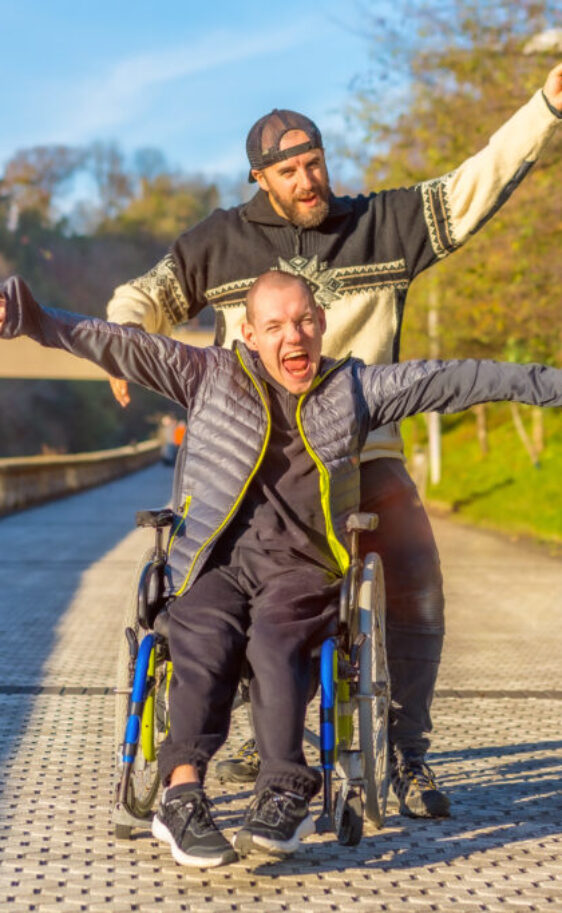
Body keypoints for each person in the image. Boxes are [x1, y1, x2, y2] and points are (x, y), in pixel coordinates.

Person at [104, 66, 562, 819]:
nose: (308, 177)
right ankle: (256, 727)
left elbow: (478, 181)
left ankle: (409, 753)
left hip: (363, 451)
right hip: (258, 463)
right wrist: (125, 337)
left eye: (314, 161)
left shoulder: (382, 224)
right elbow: (146, 294)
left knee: (414, 576)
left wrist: (545, 108)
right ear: (262, 177)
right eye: (289, 170)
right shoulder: (219, 241)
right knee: (233, 581)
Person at [1, 270, 561, 867]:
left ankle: (283, 789)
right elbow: (117, 342)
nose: (292, 337)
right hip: (215, 559)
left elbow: (457, 379)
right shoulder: (207, 374)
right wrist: (30, 317)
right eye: (274, 326)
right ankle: (181, 792)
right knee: (203, 637)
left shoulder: (355, 389)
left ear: (321, 324)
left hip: (301, 568)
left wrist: (548, 384)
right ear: (249, 334)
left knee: (277, 643)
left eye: (302, 322)